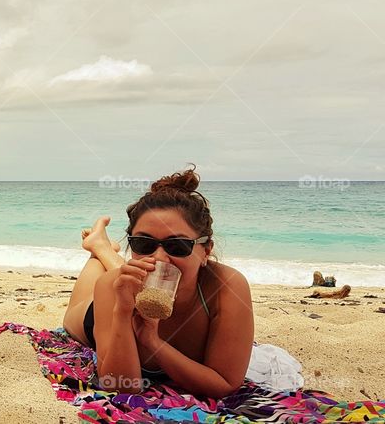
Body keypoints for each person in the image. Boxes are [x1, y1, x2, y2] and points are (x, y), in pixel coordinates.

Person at [61, 166, 253, 398]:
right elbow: (120, 386)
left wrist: (152, 341)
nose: (159, 257)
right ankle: (98, 249)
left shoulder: (226, 287)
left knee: (152, 271)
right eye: (143, 244)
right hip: (96, 317)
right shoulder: (114, 286)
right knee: (77, 311)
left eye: (178, 246)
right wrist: (122, 312)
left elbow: (225, 384)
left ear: (206, 251)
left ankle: (103, 247)